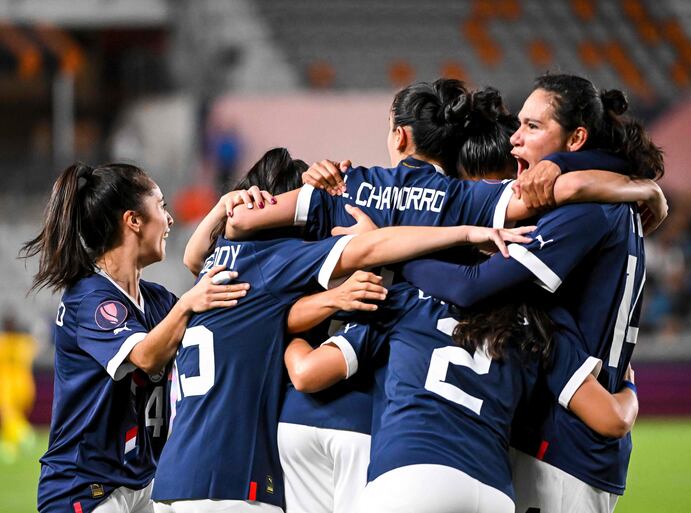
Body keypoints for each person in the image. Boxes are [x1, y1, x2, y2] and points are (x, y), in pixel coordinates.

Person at [152, 148, 533, 512]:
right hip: (246, 467)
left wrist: (225, 204)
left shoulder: (217, 266)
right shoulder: (283, 260)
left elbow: (198, 261)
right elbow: (369, 252)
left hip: (183, 466)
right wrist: (463, 232)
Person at [400, 73, 665, 512]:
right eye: (519, 125)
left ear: (577, 137)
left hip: (563, 449)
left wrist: (394, 250)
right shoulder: (609, 199)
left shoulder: (586, 212)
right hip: (576, 445)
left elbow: (472, 287)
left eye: (533, 127)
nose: (515, 140)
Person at [282, 283, 638, 513]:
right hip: (496, 493)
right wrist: (630, 390)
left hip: (412, 475)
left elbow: (307, 373)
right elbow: (612, 420)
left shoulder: (408, 301)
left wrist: (288, 336)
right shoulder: (537, 324)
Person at [196, 79, 665, 252]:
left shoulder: (343, 185)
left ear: (400, 135)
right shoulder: (468, 200)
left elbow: (240, 223)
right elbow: (576, 188)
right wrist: (645, 189)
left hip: (334, 373)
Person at [21, 163, 249, 513]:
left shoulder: (157, 300)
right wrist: (189, 304)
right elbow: (144, 356)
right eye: (161, 205)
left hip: (140, 480)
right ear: (133, 220)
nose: (170, 219)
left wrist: (222, 209)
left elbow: (210, 322)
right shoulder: (90, 299)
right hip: (85, 486)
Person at [0, 313, 38, 463]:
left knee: (8, 414)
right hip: (24, 384)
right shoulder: (26, 342)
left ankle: (25, 435)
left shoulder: (3, 343)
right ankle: (10, 447)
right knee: (12, 415)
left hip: (8, 386)